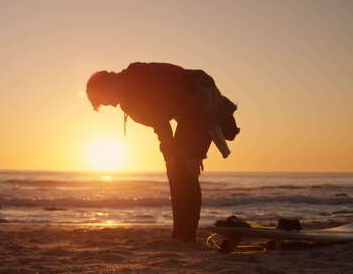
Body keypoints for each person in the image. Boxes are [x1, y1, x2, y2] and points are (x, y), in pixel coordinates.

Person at [85, 62, 239, 242]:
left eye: (103, 100)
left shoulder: (134, 84)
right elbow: (161, 125)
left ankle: (187, 235)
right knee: (176, 172)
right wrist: (170, 157)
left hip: (199, 98)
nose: (109, 105)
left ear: (106, 87)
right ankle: (179, 232)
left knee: (187, 170)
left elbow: (165, 120)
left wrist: (195, 152)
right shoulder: (129, 96)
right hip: (188, 110)